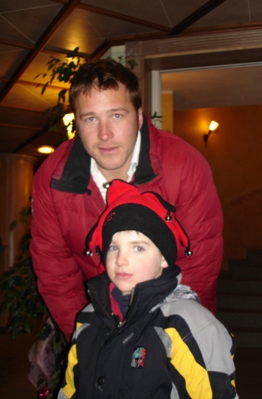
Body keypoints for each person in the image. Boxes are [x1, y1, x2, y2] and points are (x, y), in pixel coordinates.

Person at [30, 58, 223, 342]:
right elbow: (55, 271)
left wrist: (168, 343)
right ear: (77, 124)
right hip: (97, 325)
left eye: (117, 115)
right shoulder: (51, 176)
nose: (104, 134)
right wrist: (86, 339)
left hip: (175, 329)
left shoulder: (185, 166)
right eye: (91, 118)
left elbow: (198, 267)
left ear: (140, 117)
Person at [58, 180, 237, 399]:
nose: (121, 259)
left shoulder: (187, 326)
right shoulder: (88, 319)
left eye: (138, 248)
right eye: (113, 247)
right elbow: (69, 390)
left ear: (163, 258)